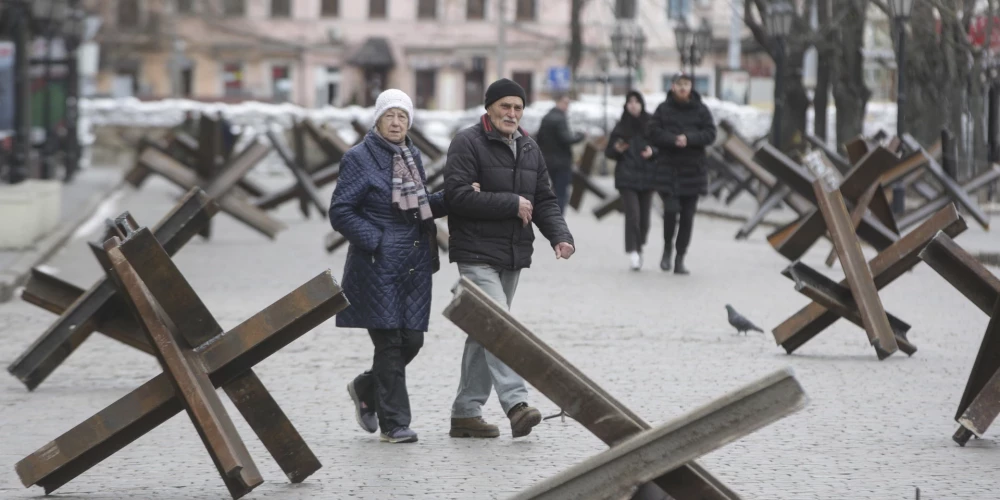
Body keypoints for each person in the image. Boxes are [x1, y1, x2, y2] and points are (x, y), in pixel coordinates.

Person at [443, 78, 576, 439]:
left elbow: (544, 199)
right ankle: (516, 404)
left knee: (484, 330)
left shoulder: (530, 148)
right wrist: (510, 202)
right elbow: (455, 197)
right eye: (505, 106)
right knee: (500, 326)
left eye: (517, 107)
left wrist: (560, 236)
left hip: (513, 253)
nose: (512, 114)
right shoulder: (467, 143)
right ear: (489, 108)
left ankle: (466, 413)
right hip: (475, 252)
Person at [329, 89, 448, 444]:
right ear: (378, 120)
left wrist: (454, 197)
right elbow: (340, 210)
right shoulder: (358, 158)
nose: (396, 123)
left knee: (412, 340)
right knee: (391, 344)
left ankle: (365, 386)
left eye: (402, 116)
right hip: (376, 265)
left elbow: (418, 206)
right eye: (390, 116)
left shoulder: (412, 156)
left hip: (413, 264)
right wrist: (376, 240)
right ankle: (394, 424)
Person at [647, 72, 717, 274]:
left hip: (693, 171)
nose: (683, 88)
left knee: (687, 217)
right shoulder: (663, 109)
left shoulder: (701, 110)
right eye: (680, 84)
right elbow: (652, 131)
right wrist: (672, 139)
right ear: (673, 87)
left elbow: (711, 133)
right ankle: (667, 248)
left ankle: (680, 257)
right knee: (670, 211)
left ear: (691, 87)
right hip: (668, 170)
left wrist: (690, 138)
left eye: (686, 84)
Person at [605, 90, 656, 271]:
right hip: (627, 177)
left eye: (636, 101)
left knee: (645, 220)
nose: (633, 104)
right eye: (630, 101)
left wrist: (653, 151)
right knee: (632, 215)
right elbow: (608, 152)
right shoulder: (621, 126)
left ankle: (639, 245)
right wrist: (617, 149)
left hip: (648, 176)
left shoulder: (651, 123)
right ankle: (634, 251)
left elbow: (661, 146)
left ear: (642, 104)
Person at [535, 92, 586, 213]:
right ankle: (558, 219)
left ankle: (549, 216)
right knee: (561, 193)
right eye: (566, 103)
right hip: (561, 162)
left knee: (550, 190)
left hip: (547, 161)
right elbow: (566, 139)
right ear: (559, 102)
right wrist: (580, 136)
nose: (567, 106)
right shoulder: (560, 118)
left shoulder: (546, 117)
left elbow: (539, 138)